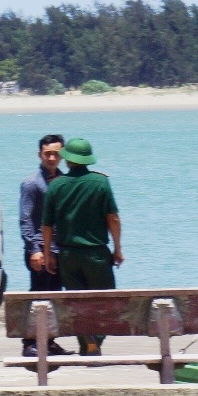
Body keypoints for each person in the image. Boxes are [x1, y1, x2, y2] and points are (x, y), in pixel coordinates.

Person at [41, 136, 122, 356]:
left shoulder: (56, 185)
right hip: (95, 254)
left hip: (68, 256)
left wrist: (48, 254)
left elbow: (46, 226)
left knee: (77, 302)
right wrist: (118, 248)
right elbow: (112, 218)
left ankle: (86, 342)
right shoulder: (100, 183)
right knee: (104, 301)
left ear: (67, 160)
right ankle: (95, 339)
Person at [18, 134, 66, 356]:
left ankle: (49, 341)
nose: (52, 158)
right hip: (39, 249)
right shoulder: (32, 183)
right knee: (39, 295)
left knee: (54, 296)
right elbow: (25, 218)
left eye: (56, 153)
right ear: (40, 155)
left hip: (58, 249)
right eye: (47, 153)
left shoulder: (63, 180)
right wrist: (34, 250)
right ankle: (29, 343)